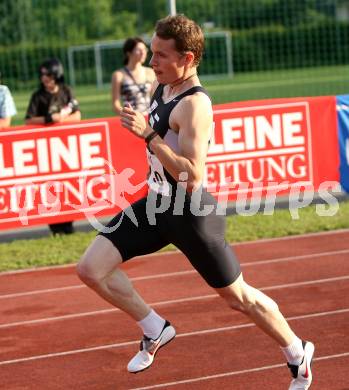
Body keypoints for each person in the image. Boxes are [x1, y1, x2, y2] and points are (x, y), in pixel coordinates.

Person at [77, 15, 314, 389]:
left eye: (160, 55)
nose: (152, 62)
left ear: (187, 58)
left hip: (191, 214)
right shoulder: (164, 86)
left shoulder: (195, 105)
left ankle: (298, 353)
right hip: (155, 206)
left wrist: (150, 135)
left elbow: (191, 177)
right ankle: (155, 329)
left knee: (240, 299)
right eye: (151, 53)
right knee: (90, 268)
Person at [25, 58, 81, 235]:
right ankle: (55, 226)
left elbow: (77, 115)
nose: (44, 78)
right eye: (42, 75)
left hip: (66, 146)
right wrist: (50, 120)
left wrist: (61, 120)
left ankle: (68, 222)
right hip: (46, 149)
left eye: (47, 74)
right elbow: (29, 120)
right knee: (49, 185)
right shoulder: (38, 96)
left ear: (56, 74)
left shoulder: (66, 92)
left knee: (68, 183)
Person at [111, 37, 155, 115]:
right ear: (128, 53)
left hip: (150, 119)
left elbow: (155, 98)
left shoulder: (151, 72)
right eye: (139, 50)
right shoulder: (118, 75)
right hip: (131, 120)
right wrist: (128, 116)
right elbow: (116, 104)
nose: (143, 52)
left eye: (145, 49)